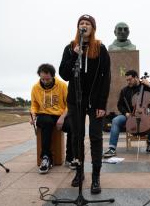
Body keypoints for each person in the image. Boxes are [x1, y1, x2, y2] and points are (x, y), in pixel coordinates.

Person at [59, 14, 111, 194]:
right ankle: (79, 172)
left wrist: (102, 104)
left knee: (96, 137)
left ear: (93, 28)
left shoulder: (101, 48)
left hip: (95, 101)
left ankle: (96, 176)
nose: (84, 25)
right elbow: (64, 74)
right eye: (81, 23)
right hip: (75, 100)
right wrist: (75, 54)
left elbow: (106, 78)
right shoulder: (69, 48)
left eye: (87, 23)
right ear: (77, 27)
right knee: (76, 136)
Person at [103, 70, 150, 157]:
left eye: (130, 79)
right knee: (115, 120)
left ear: (136, 78)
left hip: (145, 114)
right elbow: (120, 105)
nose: (128, 82)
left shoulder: (146, 86)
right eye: (127, 80)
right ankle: (112, 148)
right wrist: (125, 113)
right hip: (130, 115)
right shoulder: (124, 90)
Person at [30, 63, 72, 174]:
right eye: (42, 79)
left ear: (53, 76)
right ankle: (46, 158)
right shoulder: (35, 88)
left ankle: (70, 157)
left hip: (60, 114)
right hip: (44, 114)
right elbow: (34, 105)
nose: (45, 81)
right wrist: (33, 114)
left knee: (72, 126)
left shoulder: (62, 85)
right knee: (45, 122)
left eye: (47, 79)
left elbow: (69, 104)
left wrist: (62, 117)